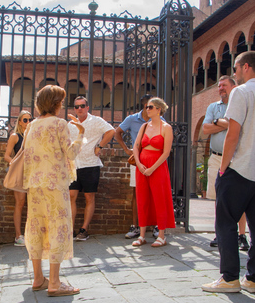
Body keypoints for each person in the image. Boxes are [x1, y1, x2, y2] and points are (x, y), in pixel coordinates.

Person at [202, 51, 255, 294]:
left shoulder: (242, 91)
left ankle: (229, 278)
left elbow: (233, 133)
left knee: (225, 221)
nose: (234, 72)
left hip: (241, 168)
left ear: (246, 67)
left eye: (236, 68)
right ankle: (253, 279)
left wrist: (224, 167)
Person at [23, 85, 85, 296]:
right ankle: (55, 283)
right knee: (58, 227)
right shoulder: (60, 124)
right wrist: (80, 135)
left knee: (36, 227)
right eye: (61, 102)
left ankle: (38, 278)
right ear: (56, 103)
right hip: (55, 185)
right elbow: (70, 153)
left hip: (34, 184)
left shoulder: (30, 126)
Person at [203, 75, 249, 251]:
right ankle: (220, 233)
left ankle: (242, 235)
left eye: (224, 85)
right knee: (218, 198)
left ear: (234, 86)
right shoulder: (213, 107)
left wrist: (219, 122)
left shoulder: (240, 103)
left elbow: (242, 127)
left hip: (237, 157)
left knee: (240, 197)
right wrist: (225, 123)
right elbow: (206, 128)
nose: (220, 88)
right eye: (219, 85)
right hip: (216, 157)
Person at [67, 95, 115, 241]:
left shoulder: (96, 121)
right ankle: (70, 230)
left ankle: (84, 229)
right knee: (71, 196)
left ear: (88, 107)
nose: (79, 109)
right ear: (74, 109)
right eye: (77, 106)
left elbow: (111, 131)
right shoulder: (70, 124)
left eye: (82, 106)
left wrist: (99, 146)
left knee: (89, 197)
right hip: (74, 165)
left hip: (91, 164)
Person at [130, 97, 175, 248]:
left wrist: (151, 168)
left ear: (158, 109)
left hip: (157, 166)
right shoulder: (144, 126)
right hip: (142, 166)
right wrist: (139, 164)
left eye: (150, 107)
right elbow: (136, 147)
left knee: (159, 198)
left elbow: (166, 152)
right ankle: (142, 235)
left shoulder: (166, 127)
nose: (147, 109)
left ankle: (161, 235)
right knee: (142, 198)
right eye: (146, 107)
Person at [115, 94, 151, 240]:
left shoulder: (159, 119)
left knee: (154, 192)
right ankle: (135, 226)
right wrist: (126, 149)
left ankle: (155, 226)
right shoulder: (132, 119)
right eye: (151, 106)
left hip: (154, 159)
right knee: (137, 193)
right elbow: (117, 132)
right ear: (145, 106)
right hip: (137, 159)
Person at [4, 110, 31, 246]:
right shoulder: (15, 136)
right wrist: (15, 163)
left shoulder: (33, 136)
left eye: (29, 120)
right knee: (20, 203)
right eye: (25, 120)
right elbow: (7, 155)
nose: (27, 122)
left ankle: (31, 234)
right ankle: (18, 235)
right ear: (20, 122)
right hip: (20, 173)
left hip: (32, 173)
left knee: (33, 204)